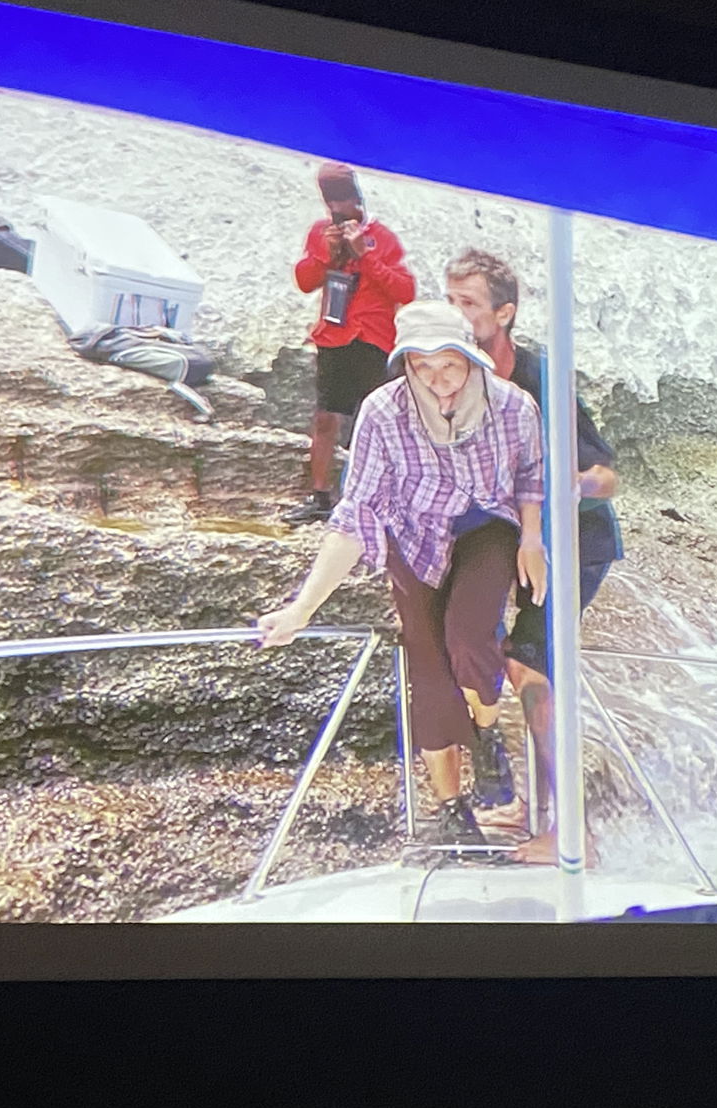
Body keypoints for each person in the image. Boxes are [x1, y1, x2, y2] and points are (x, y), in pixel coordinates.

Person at [258, 300, 546, 844]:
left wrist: (532, 538)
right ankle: (452, 812)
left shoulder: (514, 407)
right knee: (429, 670)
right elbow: (356, 514)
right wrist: (301, 609)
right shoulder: (383, 412)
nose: (440, 382)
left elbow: (530, 472)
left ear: (472, 359)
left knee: (469, 637)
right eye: (423, 367)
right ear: (406, 366)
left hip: (487, 526)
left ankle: (486, 737)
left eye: (451, 366)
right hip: (412, 536)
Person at [445, 249, 624, 865]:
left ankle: (573, 831)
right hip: (513, 544)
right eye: (450, 301)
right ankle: (532, 805)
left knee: (529, 666)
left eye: (467, 304)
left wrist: (572, 487)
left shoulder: (542, 378)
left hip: (577, 543)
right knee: (481, 649)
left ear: (505, 313)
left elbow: (608, 475)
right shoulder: (454, 377)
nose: (456, 315)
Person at [285, 163, 416, 525]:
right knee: (326, 418)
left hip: (373, 340)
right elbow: (304, 281)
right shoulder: (320, 234)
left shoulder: (382, 238)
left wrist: (366, 255)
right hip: (333, 335)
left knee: (373, 423)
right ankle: (321, 496)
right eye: (333, 204)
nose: (340, 211)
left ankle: (375, 499)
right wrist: (324, 255)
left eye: (345, 202)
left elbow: (405, 291)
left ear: (358, 200)